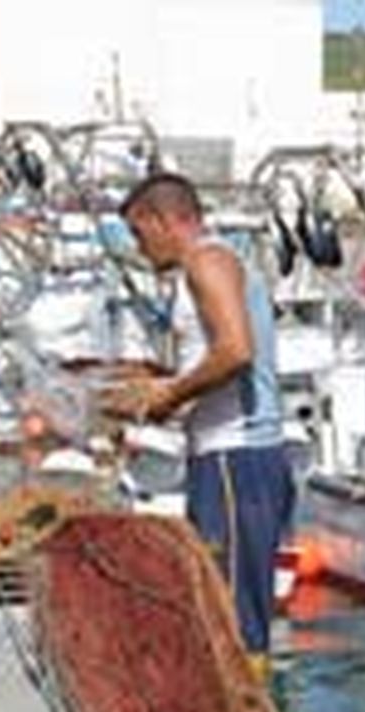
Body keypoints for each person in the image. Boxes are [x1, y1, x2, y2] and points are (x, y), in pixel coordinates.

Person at [103, 173, 293, 672]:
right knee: (216, 608)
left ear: (161, 220)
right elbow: (214, 362)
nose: (142, 252)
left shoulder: (206, 262)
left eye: (140, 236)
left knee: (233, 620)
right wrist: (149, 382)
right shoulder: (211, 264)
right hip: (224, 457)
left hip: (238, 457)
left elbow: (235, 351)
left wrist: (166, 396)